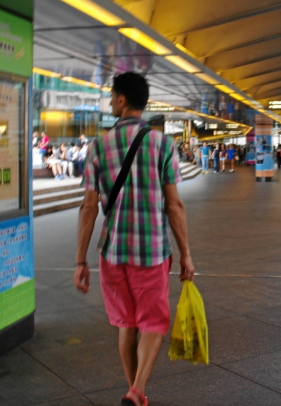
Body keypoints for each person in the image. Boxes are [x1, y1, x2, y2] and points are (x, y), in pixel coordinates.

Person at [75, 72, 194, 406]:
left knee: (126, 325)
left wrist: (80, 260)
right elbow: (175, 205)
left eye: (112, 96)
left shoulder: (98, 146)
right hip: (151, 252)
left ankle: (135, 394)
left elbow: (88, 207)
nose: (111, 102)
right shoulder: (163, 144)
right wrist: (185, 254)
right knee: (153, 322)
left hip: (112, 253)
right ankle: (137, 389)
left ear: (123, 99)